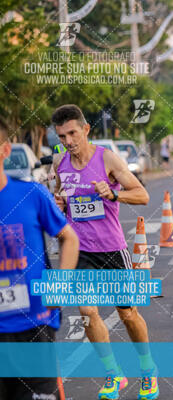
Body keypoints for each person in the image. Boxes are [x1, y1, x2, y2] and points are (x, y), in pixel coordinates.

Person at [51, 105, 159, 400]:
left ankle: (148, 370)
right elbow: (59, 199)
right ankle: (114, 375)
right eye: (62, 136)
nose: (68, 141)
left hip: (112, 249)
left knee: (127, 313)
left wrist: (113, 194)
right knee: (87, 312)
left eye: (72, 133)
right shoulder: (60, 163)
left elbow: (142, 194)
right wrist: (58, 204)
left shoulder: (106, 158)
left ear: (85, 130)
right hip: (80, 250)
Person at [0, 119, 79, 400]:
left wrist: (60, 282)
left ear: (5, 150)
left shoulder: (30, 194)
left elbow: (69, 237)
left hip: (34, 327)